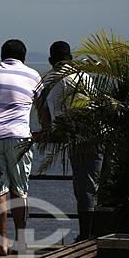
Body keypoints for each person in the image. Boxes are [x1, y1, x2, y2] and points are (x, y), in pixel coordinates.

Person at [0, 39, 42, 256]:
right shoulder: (34, 75)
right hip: (20, 137)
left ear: (2, 55)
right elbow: (41, 109)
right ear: (24, 57)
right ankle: (20, 241)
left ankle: (1, 243)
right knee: (20, 190)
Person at [40, 41, 103, 241]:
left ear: (51, 61)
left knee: (84, 187)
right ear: (71, 58)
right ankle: (94, 233)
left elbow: (60, 119)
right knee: (95, 185)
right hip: (99, 134)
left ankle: (86, 236)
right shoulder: (83, 75)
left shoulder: (58, 81)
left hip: (82, 138)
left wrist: (48, 131)